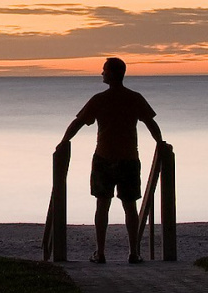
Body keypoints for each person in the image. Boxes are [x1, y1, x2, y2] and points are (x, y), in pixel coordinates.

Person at [57, 56, 163, 264]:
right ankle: (133, 252)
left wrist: (64, 141)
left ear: (112, 74)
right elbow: (151, 123)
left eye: (104, 70)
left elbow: (78, 122)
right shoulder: (134, 98)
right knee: (130, 207)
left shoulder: (100, 99)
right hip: (128, 158)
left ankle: (101, 252)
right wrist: (160, 142)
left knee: (103, 206)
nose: (101, 73)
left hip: (104, 158)